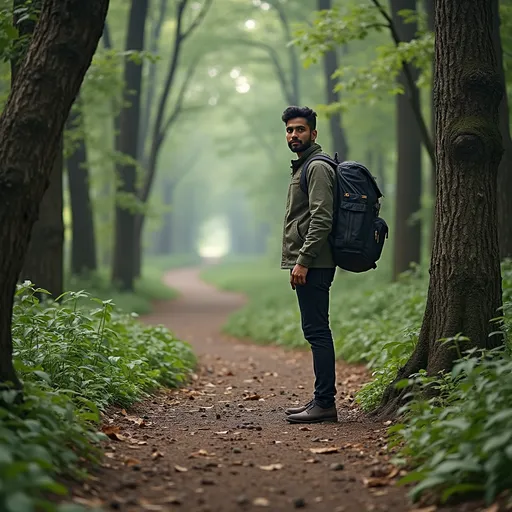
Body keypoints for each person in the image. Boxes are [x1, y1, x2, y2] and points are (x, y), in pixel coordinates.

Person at [280, 106, 338, 424]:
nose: (293, 135)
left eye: (300, 130)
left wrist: (302, 261)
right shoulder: (304, 166)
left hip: (315, 263)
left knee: (317, 332)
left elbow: (322, 218)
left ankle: (325, 403)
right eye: (290, 130)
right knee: (314, 330)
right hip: (312, 262)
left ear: (313, 134)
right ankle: (320, 398)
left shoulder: (316, 167)